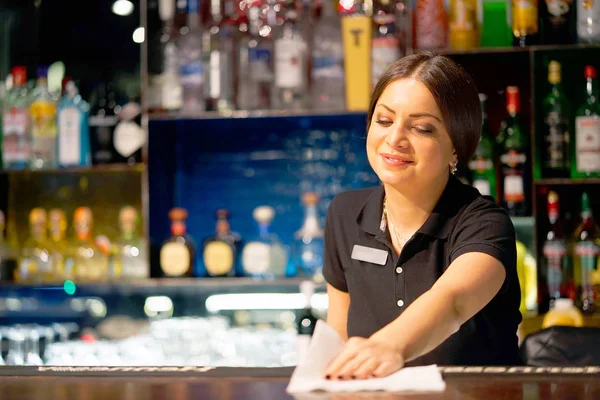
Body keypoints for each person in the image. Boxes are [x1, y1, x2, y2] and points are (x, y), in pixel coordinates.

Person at [322, 52, 523, 380]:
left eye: (422, 128)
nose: (395, 139)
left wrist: (391, 346)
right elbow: (340, 335)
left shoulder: (485, 224)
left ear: (456, 146)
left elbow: (453, 301)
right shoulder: (344, 214)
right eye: (384, 120)